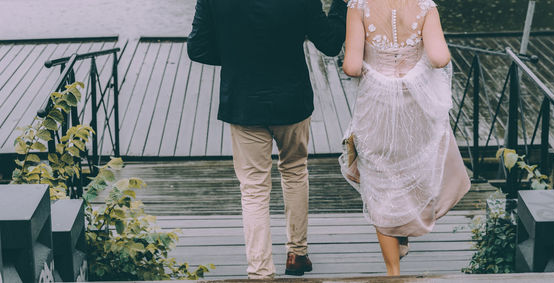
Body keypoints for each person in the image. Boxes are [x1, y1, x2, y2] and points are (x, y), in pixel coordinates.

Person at [187, 0, 348, 279]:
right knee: (295, 171)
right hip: (292, 100)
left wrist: (238, 55)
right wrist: (340, 5)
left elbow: (198, 48)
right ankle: (297, 254)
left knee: (253, 188)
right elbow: (331, 43)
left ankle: (260, 272)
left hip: (243, 101)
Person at [340, 0, 471, 276]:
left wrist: (372, 67)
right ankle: (403, 231)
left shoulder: (357, 6)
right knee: (412, 173)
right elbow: (439, 58)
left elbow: (352, 67)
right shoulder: (426, 6)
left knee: (381, 184)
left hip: (376, 110)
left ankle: (393, 273)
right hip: (416, 110)